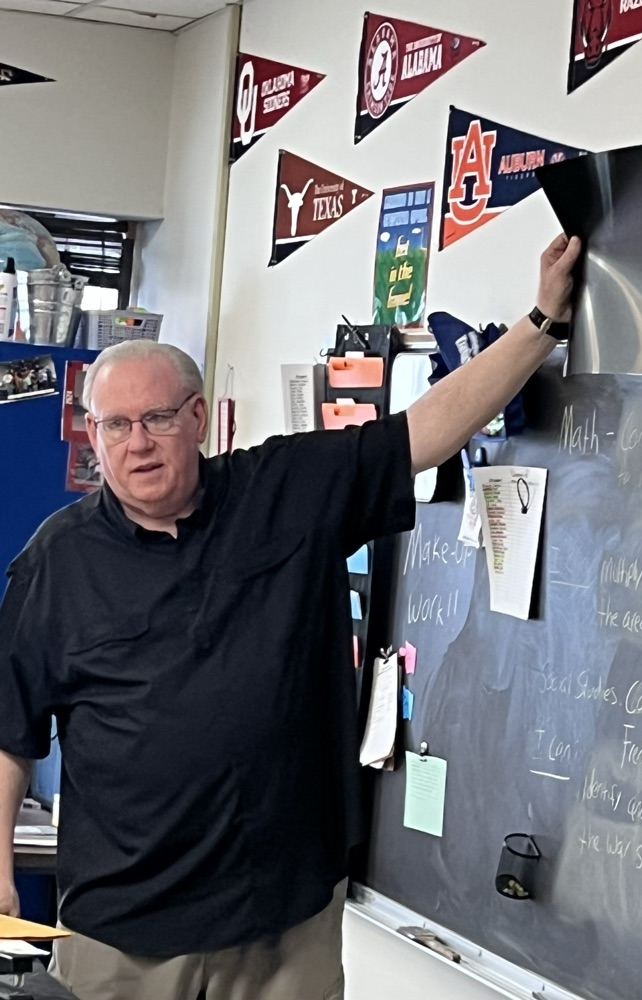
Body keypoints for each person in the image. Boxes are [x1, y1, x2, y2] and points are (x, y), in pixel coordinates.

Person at [0, 234, 580, 1000]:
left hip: (284, 920)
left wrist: (539, 323)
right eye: (115, 426)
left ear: (199, 416)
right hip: (126, 934)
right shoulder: (56, 563)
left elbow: (428, 429)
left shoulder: (287, 490)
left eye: (158, 419)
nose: (137, 443)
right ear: (93, 434)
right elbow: (9, 730)